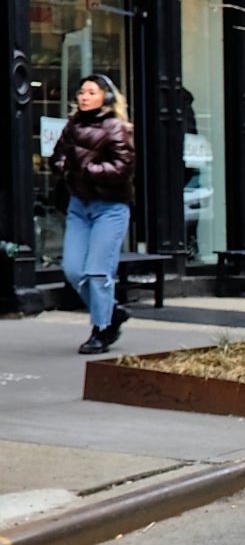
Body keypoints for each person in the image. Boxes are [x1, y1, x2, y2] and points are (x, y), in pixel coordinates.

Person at [50, 73, 136, 355]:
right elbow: (57, 156)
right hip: (78, 206)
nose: (84, 96)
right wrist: (63, 165)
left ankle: (101, 329)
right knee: (74, 270)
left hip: (109, 208)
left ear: (106, 98)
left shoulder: (115, 127)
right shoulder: (73, 126)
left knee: (98, 272)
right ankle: (111, 311)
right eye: (82, 92)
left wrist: (87, 170)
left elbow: (123, 167)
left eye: (91, 92)